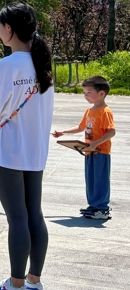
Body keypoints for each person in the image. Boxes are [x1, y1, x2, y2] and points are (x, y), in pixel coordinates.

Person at [0, 2, 55, 290]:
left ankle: (15, 284)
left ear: (9, 29)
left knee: (17, 218)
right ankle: (34, 282)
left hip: (9, 150)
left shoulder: (7, 65)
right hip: (36, 150)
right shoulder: (43, 64)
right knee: (34, 214)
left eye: (0, 26)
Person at [52, 76, 116, 221]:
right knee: (91, 179)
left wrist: (96, 143)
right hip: (89, 151)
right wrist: (63, 132)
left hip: (101, 152)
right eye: (84, 93)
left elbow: (111, 132)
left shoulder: (105, 111)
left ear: (101, 93)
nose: (85, 95)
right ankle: (93, 206)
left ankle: (102, 209)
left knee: (100, 180)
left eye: (89, 92)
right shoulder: (89, 110)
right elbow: (81, 127)